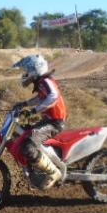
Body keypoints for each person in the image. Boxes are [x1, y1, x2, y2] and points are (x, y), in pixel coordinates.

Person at [12, 54, 67, 189]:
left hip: (54, 123)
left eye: (26, 71)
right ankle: (33, 170)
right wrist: (24, 104)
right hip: (48, 121)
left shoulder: (46, 81)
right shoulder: (42, 83)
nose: (25, 74)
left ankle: (53, 173)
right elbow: (41, 99)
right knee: (22, 134)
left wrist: (33, 111)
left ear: (34, 70)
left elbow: (53, 96)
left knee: (28, 146)